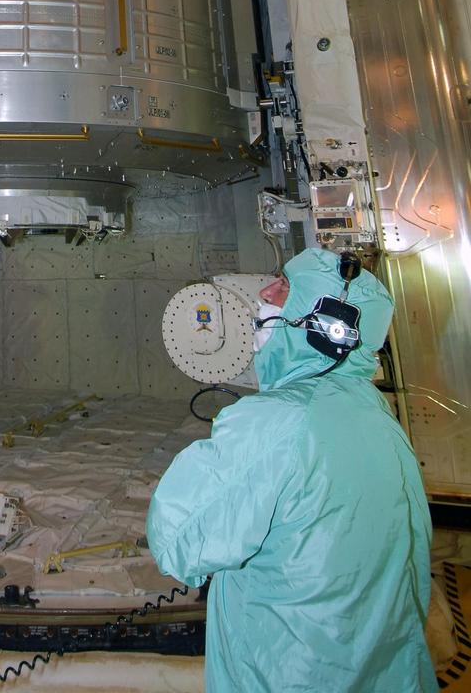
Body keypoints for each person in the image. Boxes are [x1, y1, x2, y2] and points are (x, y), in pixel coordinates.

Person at [146, 246, 437, 692]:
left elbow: (178, 542)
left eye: (284, 287)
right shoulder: (379, 419)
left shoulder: (274, 422)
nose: (264, 292)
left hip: (291, 671)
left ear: (319, 325)